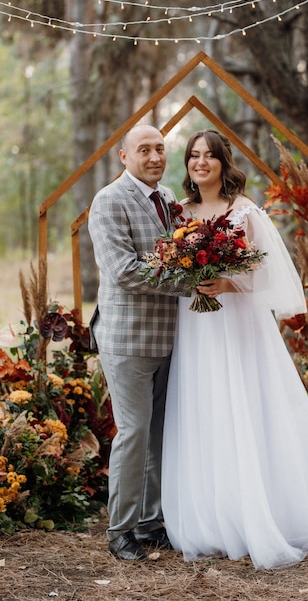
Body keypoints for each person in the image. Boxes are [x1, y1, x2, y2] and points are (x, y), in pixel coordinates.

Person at [161, 129, 308, 570]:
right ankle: (210, 516)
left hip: (238, 322)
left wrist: (227, 281)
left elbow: (268, 275)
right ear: (187, 164)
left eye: (210, 156)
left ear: (225, 163)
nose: (201, 163)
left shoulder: (243, 211)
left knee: (243, 404)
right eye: (193, 156)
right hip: (196, 323)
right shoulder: (179, 213)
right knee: (204, 404)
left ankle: (261, 512)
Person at [88, 124, 186, 560]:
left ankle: (150, 521)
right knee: (133, 432)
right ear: (123, 157)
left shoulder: (168, 201)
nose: (154, 157)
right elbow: (124, 270)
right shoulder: (109, 201)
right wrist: (192, 282)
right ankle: (120, 531)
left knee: (159, 434)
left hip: (169, 339)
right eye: (143, 149)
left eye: (160, 149)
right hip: (127, 338)